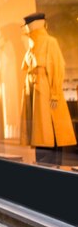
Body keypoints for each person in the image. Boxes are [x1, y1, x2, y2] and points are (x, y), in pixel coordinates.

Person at [20, 13, 76, 150]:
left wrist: (55, 93)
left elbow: (57, 67)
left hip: (45, 89)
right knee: (38, 130)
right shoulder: (31, 45)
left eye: (28, 24)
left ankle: (51, 160)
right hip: (33, 89)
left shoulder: (49, 42)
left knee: (48, 127)